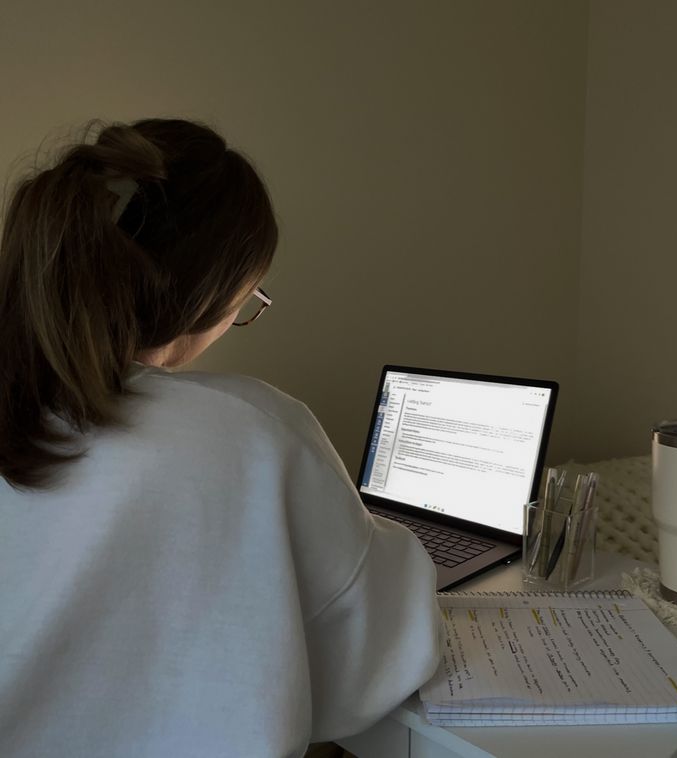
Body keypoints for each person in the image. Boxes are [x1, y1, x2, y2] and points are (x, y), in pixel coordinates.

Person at [0, 119, 440, 758]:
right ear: (207, 297)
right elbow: (372, 666)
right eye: (248, 299)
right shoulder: (253, 431)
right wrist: (381, 544)